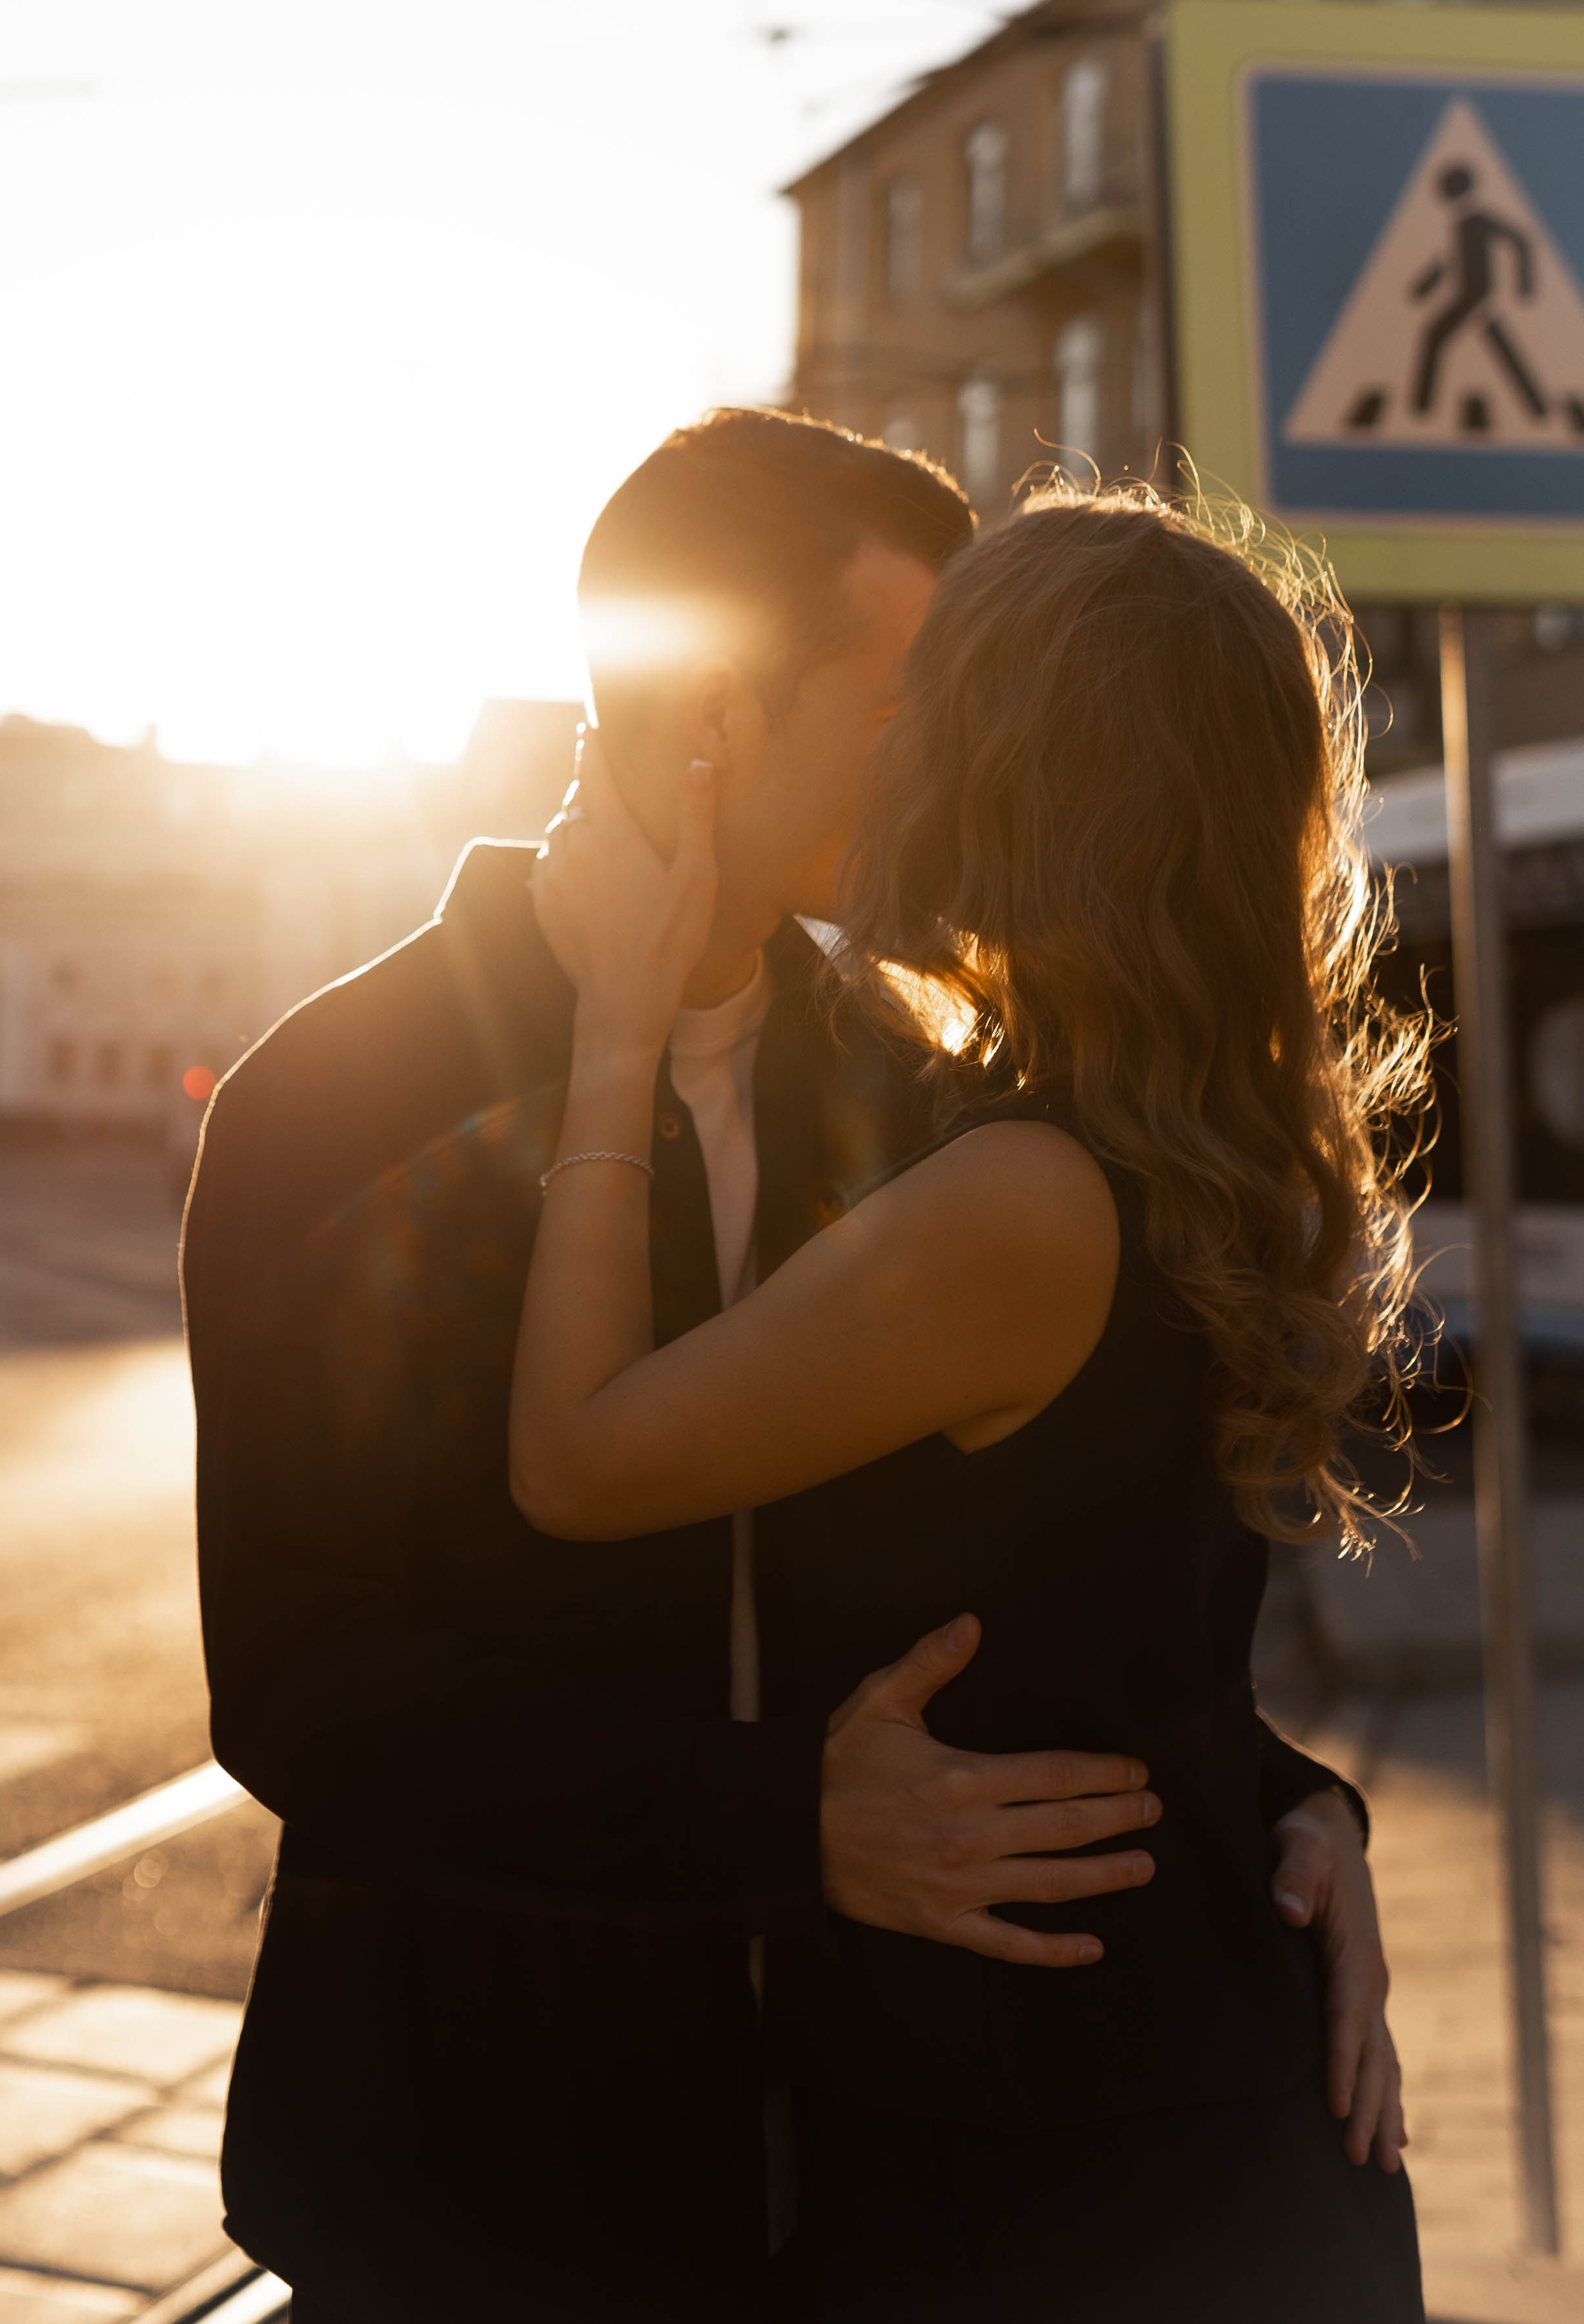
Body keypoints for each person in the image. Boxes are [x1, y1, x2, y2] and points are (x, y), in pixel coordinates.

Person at [184, 412, 1382, 2322]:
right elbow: (306, 1689)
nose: (965, 758)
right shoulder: (337, 1106)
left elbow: (1069, 1567)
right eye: (921, 699)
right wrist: (785, 1825)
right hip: (493, 2198)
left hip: (886, 2178)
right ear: (711, 721)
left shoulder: (922, 1097)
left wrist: (1297, 1814)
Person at [511, 476, 1428, 2321]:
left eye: (936, 701)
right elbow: (1148, 1634)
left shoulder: (1019, 1204)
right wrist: (1314, 1810)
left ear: (1013, 775)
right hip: (1156, 2111)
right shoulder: (1172, 1138)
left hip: (1075, 2170)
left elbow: (578, 1457)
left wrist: (612, 1037)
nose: (893, 737)